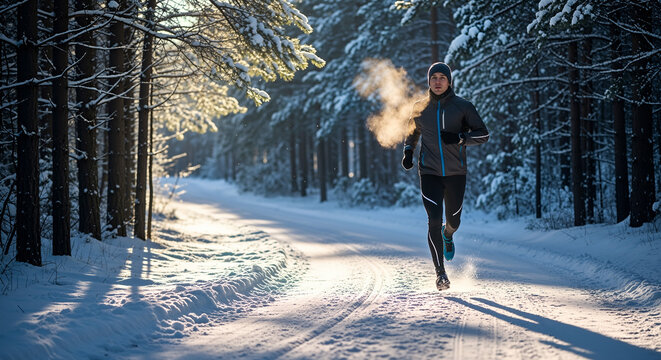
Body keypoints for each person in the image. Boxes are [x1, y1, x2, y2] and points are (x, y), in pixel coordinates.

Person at [401, 62, 489, 291]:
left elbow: (484, 134)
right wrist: (408, 151)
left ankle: (448, 234)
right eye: (434, 77)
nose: (438, 81)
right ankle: (440, 273)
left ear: (449, 81)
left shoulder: (463, 107)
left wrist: (460, 137)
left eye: (442, 77)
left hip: (455, 173)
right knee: (432, 219)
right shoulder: (419, 107)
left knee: (453, 221)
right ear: (429, 81)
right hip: (429, 172)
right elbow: (412, 132)